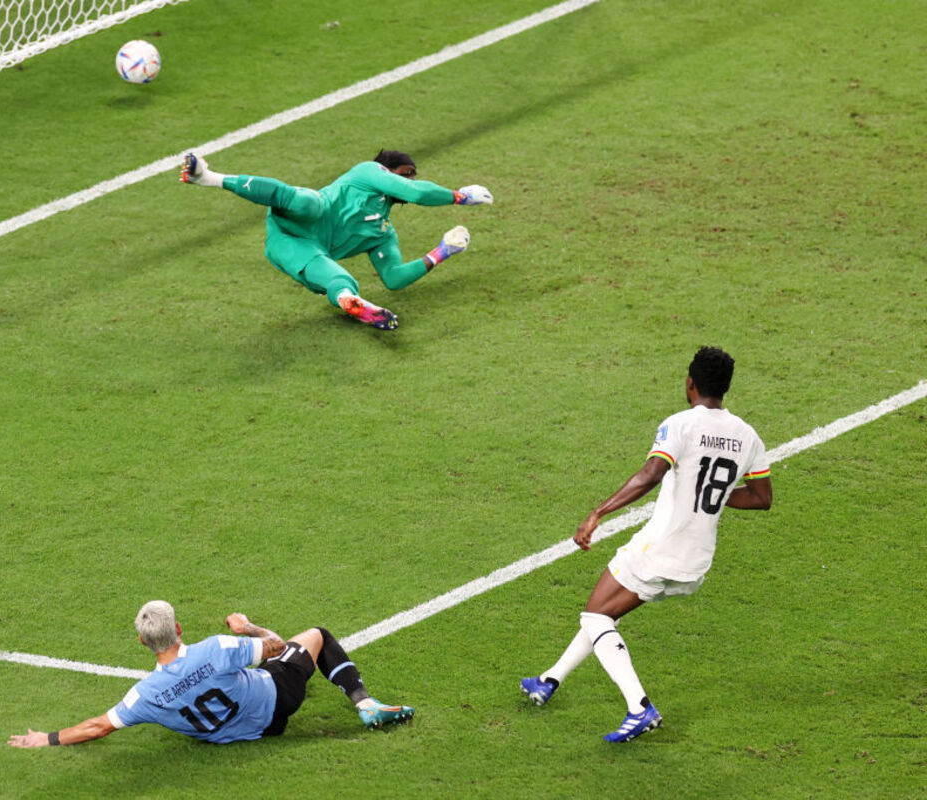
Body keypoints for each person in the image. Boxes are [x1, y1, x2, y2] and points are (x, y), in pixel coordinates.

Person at [520, 346, 773, 742]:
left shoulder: (681, 424)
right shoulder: (748, 436)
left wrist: (598, 513)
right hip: (696, 562)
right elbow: (761, 498)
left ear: (690, 383)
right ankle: (549, 680)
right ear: (725, 388)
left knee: (595, 618)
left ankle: (639, 707)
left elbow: (652, 473)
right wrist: (715, 496)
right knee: (603, 611)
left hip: (660, 549)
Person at [8, 600, 414, 749]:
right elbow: (276, 646)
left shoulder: (144, 695)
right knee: (314, 636)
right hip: (277, 700)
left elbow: (98, 727)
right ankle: (364, 703)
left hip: (244, 734)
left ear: (141, 642)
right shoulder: (215, 649)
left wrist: (48, 738)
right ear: (179, 629)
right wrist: (249, 629)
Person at [179, 149, 493, 330]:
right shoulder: (367, 173)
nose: (408, 180)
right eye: (406, 172)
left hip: (298, 249)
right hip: (293, 223)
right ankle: (206, 177)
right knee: (309, 201)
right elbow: (417, 191)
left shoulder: (382, 233)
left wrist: (442, 251)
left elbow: (394, 278)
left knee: (338, 278)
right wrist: (460, 197)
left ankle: (349, 302)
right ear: (387, 169)